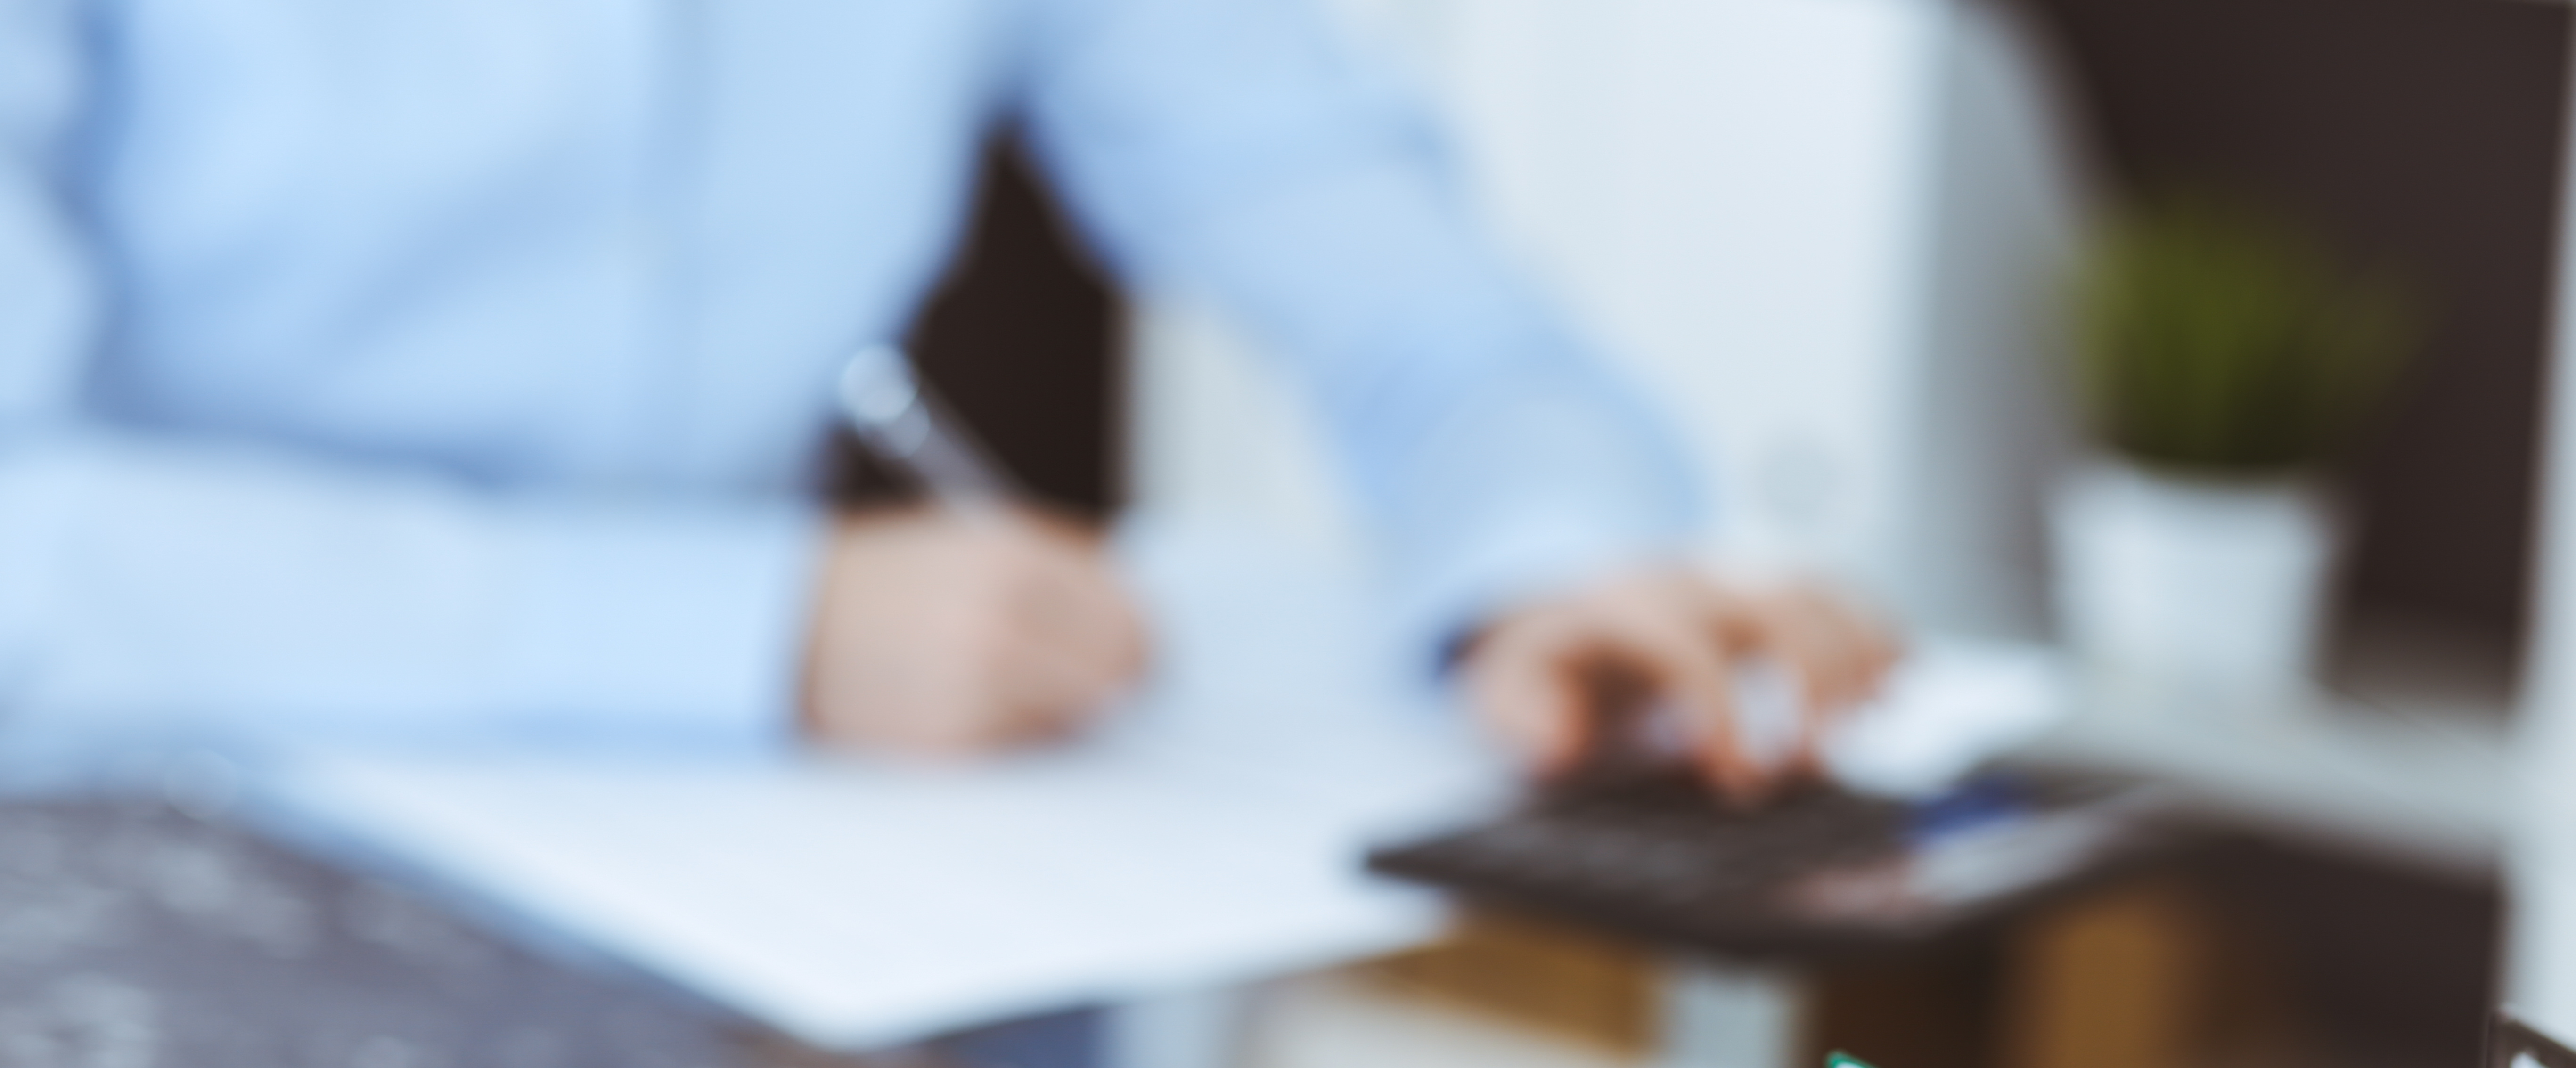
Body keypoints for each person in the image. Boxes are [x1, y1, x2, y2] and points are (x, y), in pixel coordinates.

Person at [0, 0, 1891, 793]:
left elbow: (1366, 244)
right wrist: (764, 625)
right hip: (155, 905)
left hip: (753, 923)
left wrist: (1541, 558)